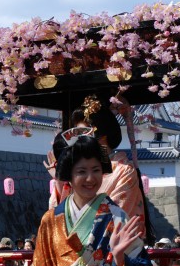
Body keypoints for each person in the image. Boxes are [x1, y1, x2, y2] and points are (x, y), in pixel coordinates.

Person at [30, 133, 150, 266]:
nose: (90, 178)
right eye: (81, 172)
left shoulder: (117, 216)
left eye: (95, 170)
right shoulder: (51, 219)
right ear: (68, 175)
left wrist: (118, 259)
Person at [46, 95, 155, 246]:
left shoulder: (123, 171)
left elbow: (117, 218)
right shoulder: (73, 168)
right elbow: (56, 216)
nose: (78, 141)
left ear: (102, 137)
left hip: (108, 251)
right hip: (70, 250)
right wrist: (60, 178)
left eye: (83, 135)